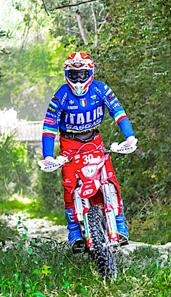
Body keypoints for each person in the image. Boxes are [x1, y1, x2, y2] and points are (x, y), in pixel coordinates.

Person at [40, 51, 137, 252]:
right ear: (67, 74)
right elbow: (49, 127)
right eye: (74, 75)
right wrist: (48, 156)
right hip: (69, 144)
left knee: (110, 178)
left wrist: (129, 137)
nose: (78, 79)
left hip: (94, 140)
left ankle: (119, 225)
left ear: (90, 72)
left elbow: (118, 113)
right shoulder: (61, 95)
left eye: (82, 74)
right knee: (69, 185)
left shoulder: (101, 89)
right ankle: (75, 232)